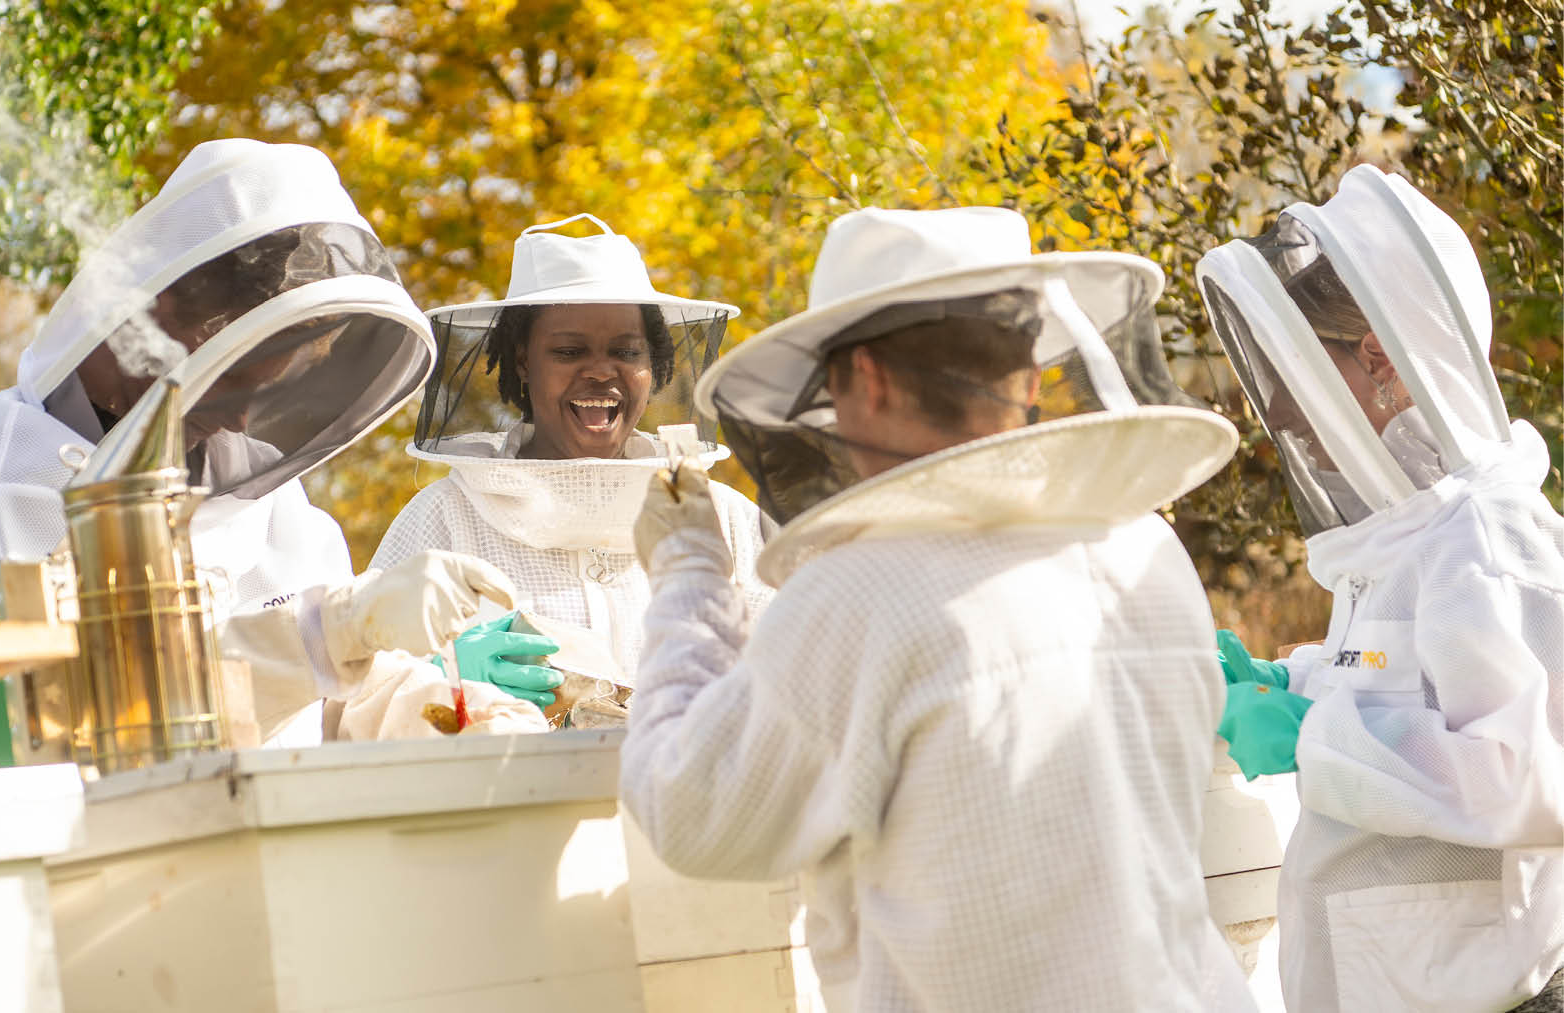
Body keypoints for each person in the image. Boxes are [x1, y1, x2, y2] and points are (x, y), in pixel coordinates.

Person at [620, 205, 1254, 1010]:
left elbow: (693, 809)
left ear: (867, 379)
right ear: (1027, 379)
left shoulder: (862, 591)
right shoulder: (1145, 551)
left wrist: (687, 570)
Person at [0, 138, 531, 769]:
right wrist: (323, 636)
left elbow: (330, 709)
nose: (239, 420)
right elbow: (54, 749)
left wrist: (439, 715)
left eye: (271, 391)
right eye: (235, 379)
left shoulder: (261, 496)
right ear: (156, 315)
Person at [1196, 163, 1564, 1012]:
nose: (1280, 410)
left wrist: (1311, 733)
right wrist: (1289, 680)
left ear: (1376, 357)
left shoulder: (1488, 536)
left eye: (1292, 368)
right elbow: (1396, 679)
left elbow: (1527, 777)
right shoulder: (1405, 536)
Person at [367, 214, 772, 712]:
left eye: (626, 351)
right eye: (568, 351)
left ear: (652, 366)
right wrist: (439, 680)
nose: (601, 371)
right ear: (523, 361)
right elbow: (358, 692)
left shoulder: (721, 518)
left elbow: (800, 677)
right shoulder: (444, 517)